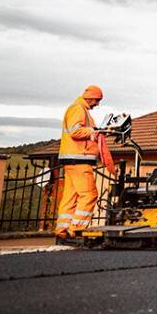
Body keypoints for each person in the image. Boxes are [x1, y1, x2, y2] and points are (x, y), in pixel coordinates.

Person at [55, 85, 103, 242]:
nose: (97, 104)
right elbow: (75, 131)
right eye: (97, 100)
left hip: (71, 160)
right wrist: (94, 132)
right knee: (89, 194)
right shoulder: (78, 109)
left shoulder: (79, 109)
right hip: (79, 159)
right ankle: (77, 229)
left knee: (71, 195)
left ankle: (62, 229)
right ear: (90, 97)